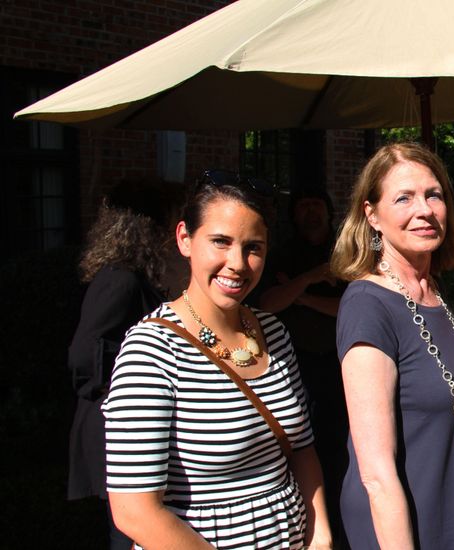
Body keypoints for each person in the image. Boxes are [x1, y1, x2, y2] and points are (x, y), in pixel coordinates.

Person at [102, 172, 333, 549]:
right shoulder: (153, 350)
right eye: (220, 242)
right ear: (185, 239)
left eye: (253, 247)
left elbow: (302, 449)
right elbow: (134, 510)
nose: (237, 263)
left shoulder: (273, 333)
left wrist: (321, 537)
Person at [331, 142, 454, 549]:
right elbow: (376, 474)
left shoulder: (431, 292)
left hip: (453, 506)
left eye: (433, 195)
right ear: (372, 215)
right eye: (403, 198)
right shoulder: (367, 305)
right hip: (403, 527)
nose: (424, 210)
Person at [67, 178, 183, 550]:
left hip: (127, 430)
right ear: (149, 227)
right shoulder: (120, 280)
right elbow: (83, 355)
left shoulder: (132, 277)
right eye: (171, 221)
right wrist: (129, 386)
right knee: (131, 534)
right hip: (116, 432)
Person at [259, 186, 349, 549]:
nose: (311, 212)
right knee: (302, 451)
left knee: (343, 452)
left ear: (328, 211)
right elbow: (267, 303)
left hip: (342, 368)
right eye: (304, 205)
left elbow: (351, 306)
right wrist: (310, 279)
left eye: (316, 205)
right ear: (294, 214)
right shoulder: (281, 255)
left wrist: (300, 296)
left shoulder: (345, 253)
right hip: (295, 368)